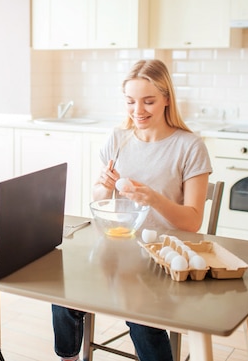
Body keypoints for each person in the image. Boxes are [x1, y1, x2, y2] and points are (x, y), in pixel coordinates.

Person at [51, 59, 212, 361]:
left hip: (162, 256)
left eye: (148, 101)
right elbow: (99, 198)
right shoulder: (118, 139)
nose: (138, 111)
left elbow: (192, 222)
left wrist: (154, 199)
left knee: (137, 313)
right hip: (115, 248)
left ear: (166, 99)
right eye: (130, 102)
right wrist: (104, 185)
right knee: (63, 290)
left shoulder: (189, 146)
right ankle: (68, 358)